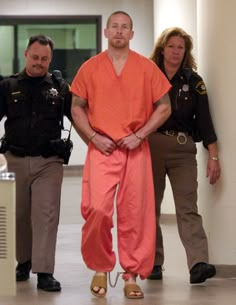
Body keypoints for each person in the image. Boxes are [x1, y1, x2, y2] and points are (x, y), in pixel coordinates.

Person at [70, 11, 171, 299]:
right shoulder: (90, 67)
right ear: (106, 32)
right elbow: (77, 106)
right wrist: (92, 136)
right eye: (114, 26)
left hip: (135, 150)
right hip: (102, 148)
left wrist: (140, 135)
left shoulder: (146, 68)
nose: (118, 31)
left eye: (124, 27)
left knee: (135, 214)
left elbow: (164, 106)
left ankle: (131, 275)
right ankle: (100, 267)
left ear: (132, 34)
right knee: (98, 210)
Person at [147, 27, 221, 284]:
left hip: (183, 149)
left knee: (188, 207)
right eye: (171, 46)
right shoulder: (147, 75)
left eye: (181, 47)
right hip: (151, 147)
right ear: (162, 49)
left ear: (185, 52)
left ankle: (198, 263)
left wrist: (213, 156)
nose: (176, 51)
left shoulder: (194, 81)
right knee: (149, 208)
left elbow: (205, 121)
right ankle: (153, 263)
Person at [0, 34, 72, 291]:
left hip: (48, 161)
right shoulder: (8, 86)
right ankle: (24, 262)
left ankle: (44, 271)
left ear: (50, 59)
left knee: (46, 215)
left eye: (44, 58)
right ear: (26, 54)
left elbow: (80, 115)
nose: (39, 62)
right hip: (14, 160)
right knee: (19, 215)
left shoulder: (60, 88)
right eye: (35, 57)